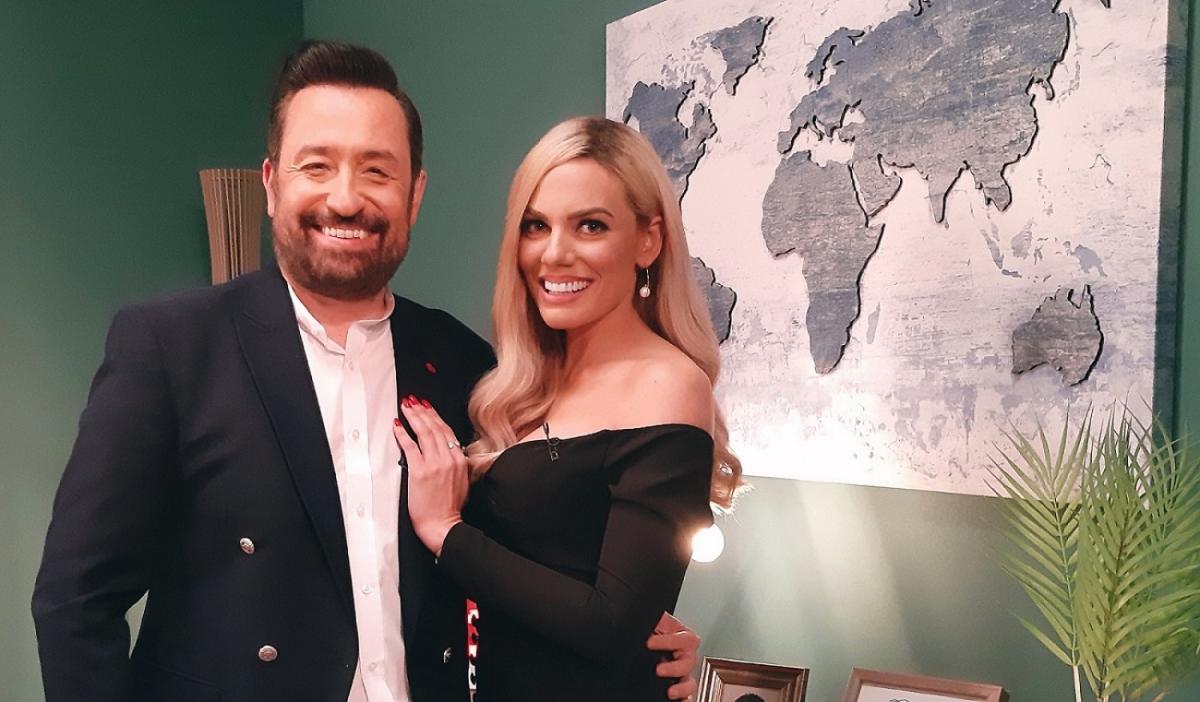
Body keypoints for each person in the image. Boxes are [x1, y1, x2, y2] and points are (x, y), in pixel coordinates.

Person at [31, 41, 700, 702]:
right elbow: (75, 599)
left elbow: (538, 556)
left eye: (377, 171)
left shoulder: (467, 365)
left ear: (415, 193)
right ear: (272, 183)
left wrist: (644, 638)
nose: (346, 199)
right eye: (317, 166)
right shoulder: (173, 346)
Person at [391, 117, 743, 701]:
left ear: (648, 239)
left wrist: (446, 532)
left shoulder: (668, 382)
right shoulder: (516, 386)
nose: (554, 254)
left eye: (590, 225)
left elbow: (609, 622)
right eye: (537, 225)